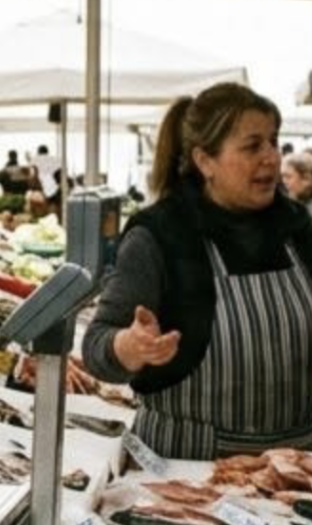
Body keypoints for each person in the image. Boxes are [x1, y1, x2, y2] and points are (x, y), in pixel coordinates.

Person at [82, 84, 312, 459]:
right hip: (187, 473)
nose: (272, 157)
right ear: (205, 161)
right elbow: (96, 348)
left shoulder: (298, 230)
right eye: (253, 146)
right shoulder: (160, 235)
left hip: (296, 470)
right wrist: (130, 346)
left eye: (274, 141)